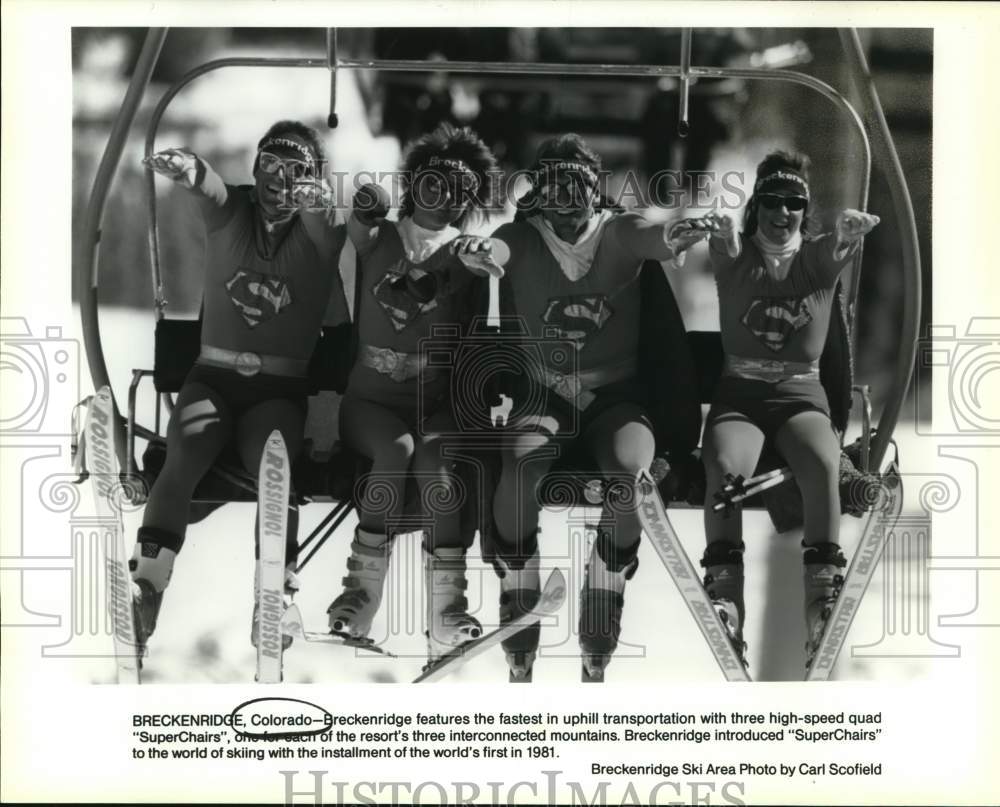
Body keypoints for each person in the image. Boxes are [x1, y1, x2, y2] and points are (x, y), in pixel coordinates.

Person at [453, 133, 710, 680]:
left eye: (578, 188)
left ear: (596, 191)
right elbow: (498, 251)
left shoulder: (616, 232)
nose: (567, 204)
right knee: (520, 462)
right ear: (537, 194)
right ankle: (518, 583)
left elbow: (649, 236)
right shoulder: (522, 237)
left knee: (630, 478)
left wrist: (673, 234)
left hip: (615, 401)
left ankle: (606, 585)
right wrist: (480, 254)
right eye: (554, 189)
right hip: (545, 396)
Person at [135, 120, 348, 657]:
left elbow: (327, 225)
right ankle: (147, 586)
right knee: (185, 446)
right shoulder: (233, 213)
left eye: (294, 170)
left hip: (277, 391)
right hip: (213, 378)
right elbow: (209, 188)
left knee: (275, 464)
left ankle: (272, 595)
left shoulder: (317, 238)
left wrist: (316, 200)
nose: (279, 179)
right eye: (270, 165)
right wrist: (188, 168)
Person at [325, 123, 503, 666]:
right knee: (395, 449)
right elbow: (359, 224)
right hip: (370, 402)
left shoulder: (465, 253)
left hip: (435, 405)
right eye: (431, 184)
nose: (443, 199)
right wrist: (367, 203)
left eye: (459, 192)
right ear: (413, 185)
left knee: (437, 465)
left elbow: (496, 254)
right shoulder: (381, 237)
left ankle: (447, 608)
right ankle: (361, 593)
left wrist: (485, 253)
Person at [694, 150, 879, 667]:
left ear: (805, 209)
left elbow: (837, 245)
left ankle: (821, 593)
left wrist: (849, 231)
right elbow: (726, 245)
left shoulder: (816, 257)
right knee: (725, 468)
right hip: (742, 395)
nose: (783, 212)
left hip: (800, 395)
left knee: (821, 461)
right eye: (772, 201)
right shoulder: (738, 254)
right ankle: (726, 592)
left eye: (794, 203)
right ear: (757, 206)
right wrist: (721, 231)